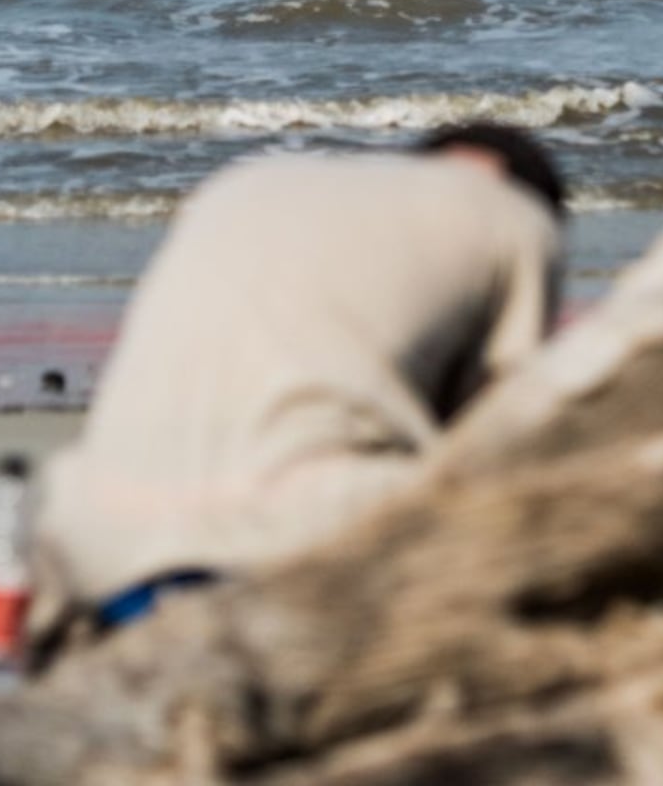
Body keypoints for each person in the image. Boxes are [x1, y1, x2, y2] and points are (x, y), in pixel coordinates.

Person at [32, 123, 566, 633]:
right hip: (295, 537)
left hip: (90, 535)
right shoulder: (519, 218)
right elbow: (502, 426)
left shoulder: (244, 185)